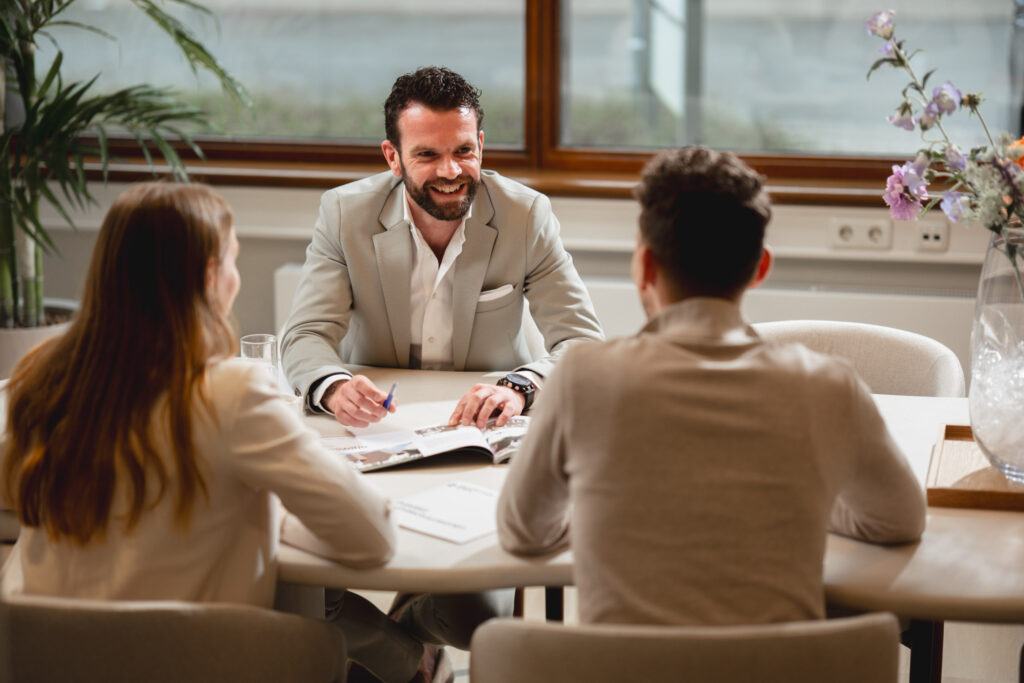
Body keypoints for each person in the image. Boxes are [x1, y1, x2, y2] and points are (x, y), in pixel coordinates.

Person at [0, 183, 418, 679]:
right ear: (209, 277)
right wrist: (273, 511)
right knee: (319, 643)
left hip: (48, 661)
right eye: (234, 262)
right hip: (189, 663)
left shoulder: (40, 379)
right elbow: (374, 537)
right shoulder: (230, 393)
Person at [496, 146, 927, 626]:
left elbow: (522, 532)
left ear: (645, 266)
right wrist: (801, 502)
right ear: (760, 267)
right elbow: (899, 521)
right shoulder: (829, 387)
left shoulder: (583, 378)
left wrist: (612, 514)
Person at [281, 66, 603, 430]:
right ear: (393, 157)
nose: (450, 171)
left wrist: (519, 389)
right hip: (379, 426)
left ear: (480, 145)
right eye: (427, 155)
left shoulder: (526, 215)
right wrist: (335, 389)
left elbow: (583, 342)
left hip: (489, 424)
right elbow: (306, 334)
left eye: (463, 151)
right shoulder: (344, 214)